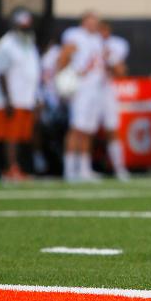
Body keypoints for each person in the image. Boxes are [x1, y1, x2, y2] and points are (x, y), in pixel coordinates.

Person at [0, 8, 41, 181]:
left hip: (26, 97)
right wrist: (7, 99)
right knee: (10, 136)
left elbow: (32, 72)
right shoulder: (6, 44)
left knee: (20, 136)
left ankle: (17, 167)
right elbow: (1, 73)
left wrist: (36, 96)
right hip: (11, 98)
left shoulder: (29, 43)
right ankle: (9, 170)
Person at [59, 13, 106, 182]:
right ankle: (70, 169)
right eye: (90, 20)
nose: (93, 24)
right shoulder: (75, 35)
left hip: (95, 88)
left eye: (95, 21)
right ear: (83, 22)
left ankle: (84, 168)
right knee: (76, 128)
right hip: (81, 88)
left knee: (88, 130)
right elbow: (64, 56)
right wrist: (64, 77)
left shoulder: (98, 39)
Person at [100, 22, 130, 180]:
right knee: (82, 131)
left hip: (106, 90)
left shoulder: (114, 46)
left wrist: (108, 58)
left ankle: (119, 168)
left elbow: (121, 72)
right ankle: (77, 170)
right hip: (86, 91)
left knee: (112, 129)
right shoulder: (81, 43)